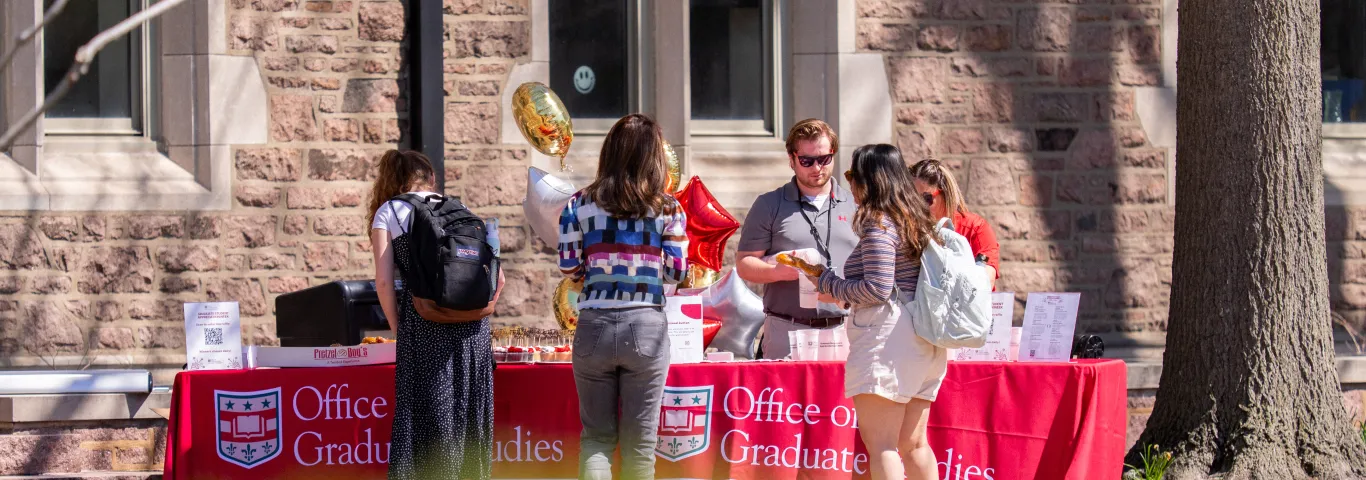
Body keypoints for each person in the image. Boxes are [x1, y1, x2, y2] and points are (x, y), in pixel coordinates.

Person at [558, 113, 689, 480]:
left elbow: (569, 266)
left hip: (595, 322)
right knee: (640, 446)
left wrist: (597, 270)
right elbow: (677, 272)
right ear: (653, 158)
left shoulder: (578, 204)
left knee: (597, 439)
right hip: (646, 323)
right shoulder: (667, 208)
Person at [808, 144, 947, 480]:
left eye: (853, 176)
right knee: (914, 445)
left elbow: (877, 288)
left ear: (870, 181)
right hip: (925, 337)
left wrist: (829, 283)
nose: (850, 185)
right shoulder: (917, 218)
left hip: (889, 338)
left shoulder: (879, 222)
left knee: (882, 445)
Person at [368, 149, 503, 480]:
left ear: (391, 180)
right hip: (474, 333)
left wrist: (400, 329)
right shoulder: (461, 210)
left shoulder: (390, 211)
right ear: (430, 178)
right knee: (469, 426)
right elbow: (499, 278)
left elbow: (384, 282)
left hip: (425, 326)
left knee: (429, 429)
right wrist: (480, 313)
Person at [735, 118, 859, 359]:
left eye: (825, 159)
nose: (817, 168)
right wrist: (776, 272)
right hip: (787, 328)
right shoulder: (769, 204)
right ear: (791, 160)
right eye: (807, 161)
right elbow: (744, 264)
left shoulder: (855, 204)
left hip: (846, 327)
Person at [908, 158, 1001, 289]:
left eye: (926, 198)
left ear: (946, 193)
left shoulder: (975, 228)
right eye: (913, 200)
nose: (919, 206)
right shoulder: (909, 229)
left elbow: (986, 281)